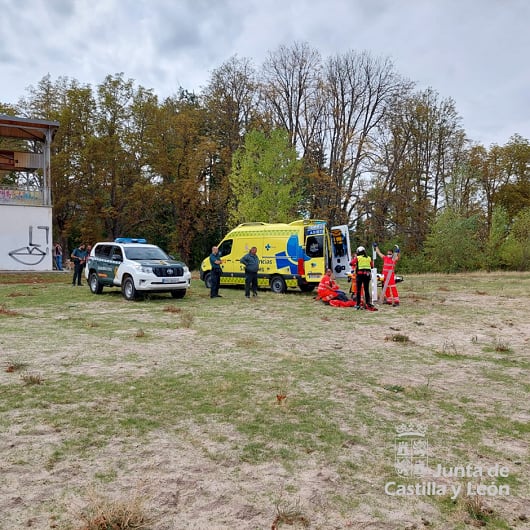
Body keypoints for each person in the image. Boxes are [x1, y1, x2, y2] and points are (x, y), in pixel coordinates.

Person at [352, 246, 377, 311]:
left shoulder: (358, 258)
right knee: (366, 290)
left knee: (358, 290)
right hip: (367, 275)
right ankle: (368, 303)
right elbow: (372, 266)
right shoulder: (368, 258)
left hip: (360, 275)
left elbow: (351, 263)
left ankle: (358, 304)